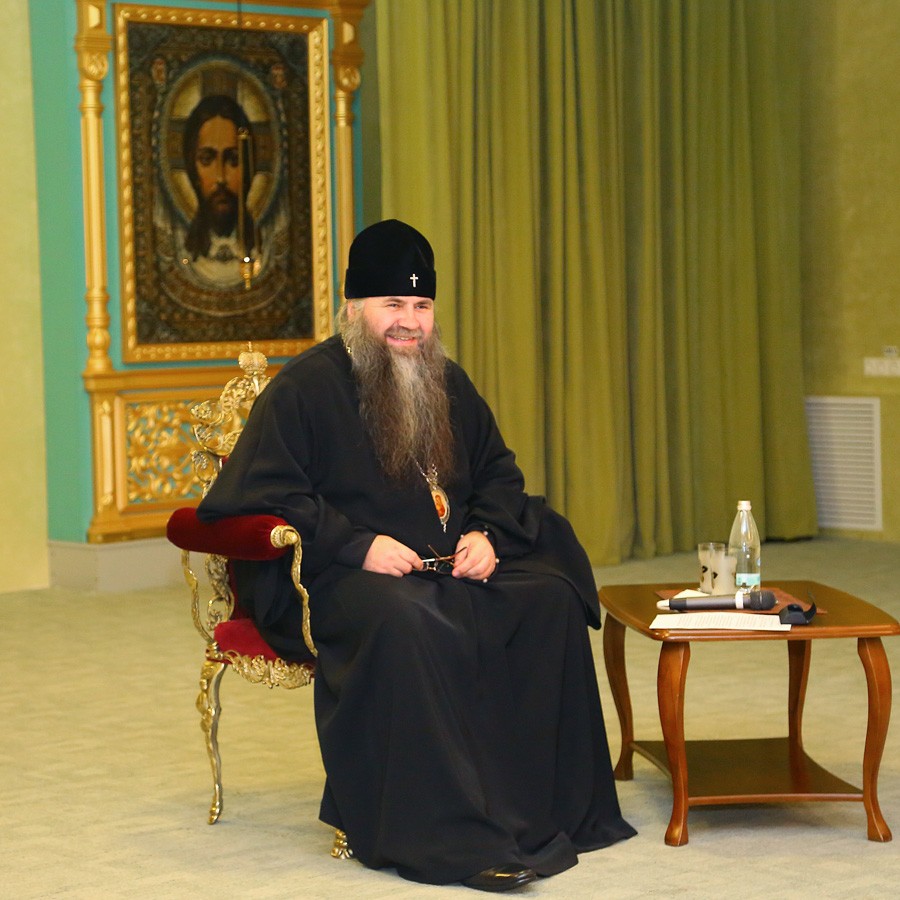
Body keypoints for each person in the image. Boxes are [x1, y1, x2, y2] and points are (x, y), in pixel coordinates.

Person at [198, 219, 636, 891]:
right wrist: (357, 545)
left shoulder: (447, 381)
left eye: (422, 305)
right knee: (408, 620)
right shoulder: (305, 388)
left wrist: (485, 535)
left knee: (547, 597)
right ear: (353, 307)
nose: (409, 322)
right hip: (340, 576)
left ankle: (552, 812)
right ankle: (455, 836)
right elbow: (260, 493)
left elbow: (498, 473)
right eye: (392, 304)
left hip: (447, 566)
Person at [181, 93, 259, 282]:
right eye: (207, 159)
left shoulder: (263, 248)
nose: (221, 178)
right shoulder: (181, 252)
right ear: (193, 170)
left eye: (233, 160)